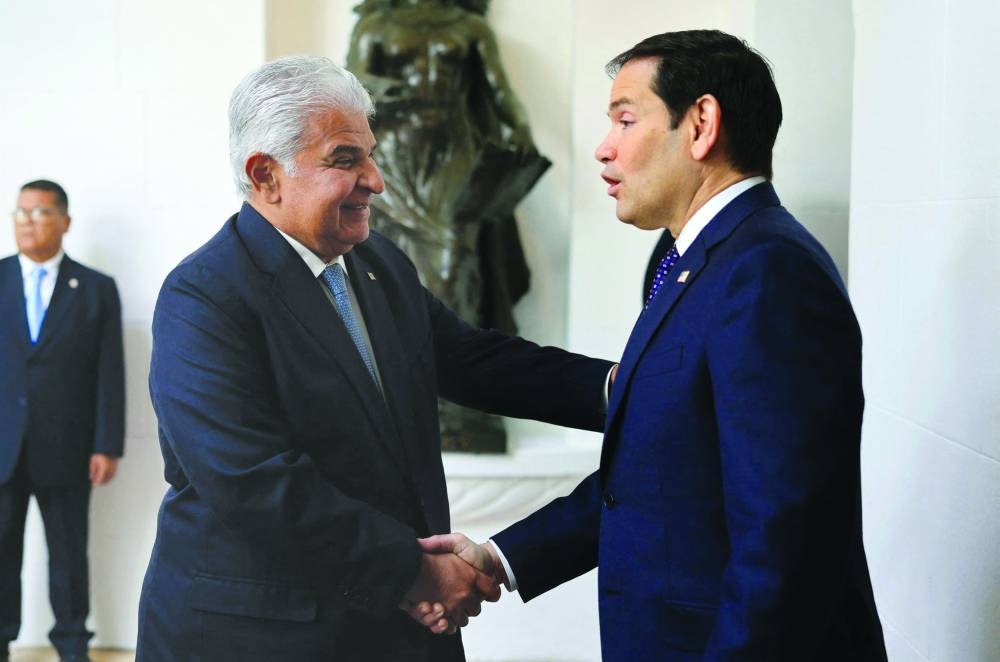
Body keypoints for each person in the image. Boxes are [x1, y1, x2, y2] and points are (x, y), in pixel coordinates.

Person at [411, 30, 889, 660]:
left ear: (701, 125)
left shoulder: (770, 273)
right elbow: (654, 473)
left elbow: (785, 542)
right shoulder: (682, 262)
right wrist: (501, 557)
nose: (604, 149)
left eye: (625, 119)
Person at [135, 55, 612, 662]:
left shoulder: (378, 263)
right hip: (265, 635)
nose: (377, 180)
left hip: (392, 631)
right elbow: (255, 482)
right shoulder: (203, 296)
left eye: (371, 154)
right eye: (345, 159)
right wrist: (417, 573)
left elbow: (476, 361)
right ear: (266, 175)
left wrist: (623, 387)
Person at [347, 0, 550, 451]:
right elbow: (352, 87)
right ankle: (411, 397)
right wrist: (384, 91)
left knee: (453, 268)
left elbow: (498, 90)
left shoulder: (470, 27)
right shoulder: (377, 24)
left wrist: (520, 132)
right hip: (398, 155)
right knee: (394, 273)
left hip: (453, 151)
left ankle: (459, 401)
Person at [0, 180, 124, 662]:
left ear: (65, 221)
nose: (28, 222)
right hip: (4, 447)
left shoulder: (95, 289)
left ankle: (73, 646)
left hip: (69, 448)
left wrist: (107, 443)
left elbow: (109, 373)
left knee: (69, 557)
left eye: (40, 212)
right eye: (20, 213)